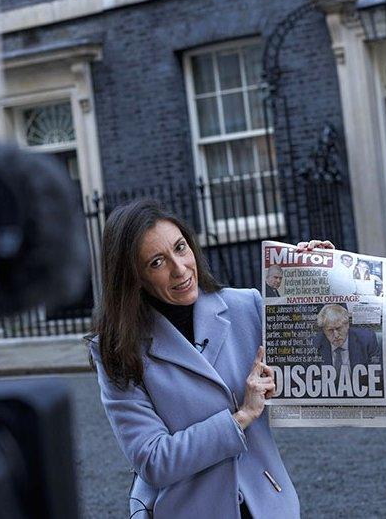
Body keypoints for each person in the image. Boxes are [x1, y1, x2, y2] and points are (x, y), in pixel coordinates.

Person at [88, 199, 330, 518]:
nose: (180, 268)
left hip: (268, 505)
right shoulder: (117, 349)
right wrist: (241, 417)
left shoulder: (248, 306)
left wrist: (319, 280)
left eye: (180, 248)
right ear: (134, 277)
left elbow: (317, 379)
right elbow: (153, 461)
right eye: (157, 262)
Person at [311, 304, 381, 371]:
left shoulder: (367, 339)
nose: (336, 335)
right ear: (323, 330)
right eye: (330, 330)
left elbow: (377, 373)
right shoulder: (314, 344)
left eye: (338, 328)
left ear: (347, 325)